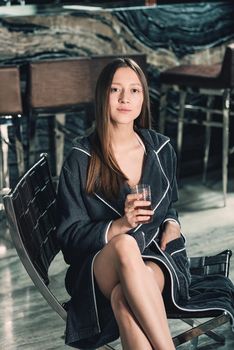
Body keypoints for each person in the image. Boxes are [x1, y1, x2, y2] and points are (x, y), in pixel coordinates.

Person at [56, 58, 233, 350]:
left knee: (123, 300)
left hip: (156, 258)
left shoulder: (161, 148)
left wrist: (172, 223)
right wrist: (119, 226)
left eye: (134, 90)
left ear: (143, 98)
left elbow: (170, 205)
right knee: (125, 244)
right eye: (116, 90)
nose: (126, 98)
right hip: (99, 266)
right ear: (103, 96)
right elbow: (69, 238)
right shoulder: (80, 158)